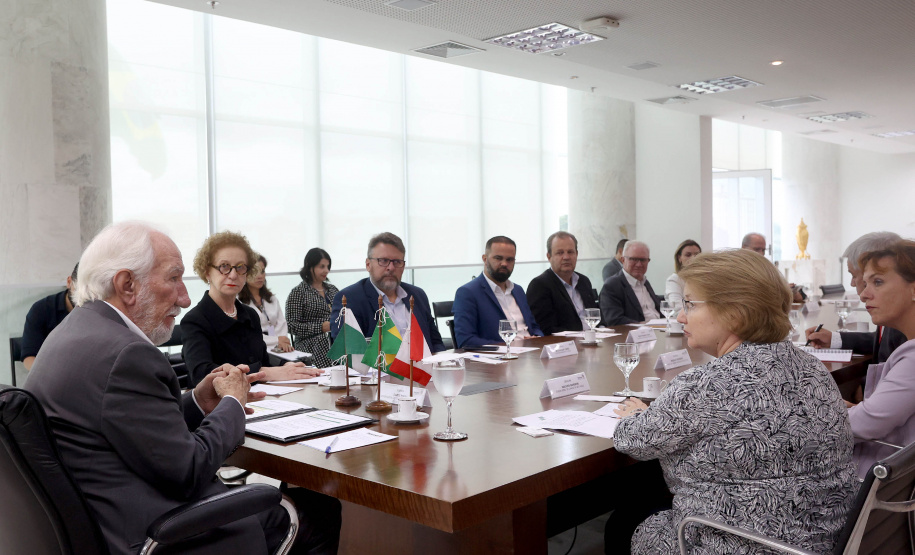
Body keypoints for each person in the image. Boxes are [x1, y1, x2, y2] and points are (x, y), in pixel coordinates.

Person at [24, 221, 341, 555]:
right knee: (319, 511)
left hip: (107, 518)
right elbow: (189, 471)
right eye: (174, 278)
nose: (185, 297)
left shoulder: (74, 331)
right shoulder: (128, 354)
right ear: (126, 284)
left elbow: (127, 422)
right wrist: (233, 401)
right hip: (161, 535)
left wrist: (195, 401)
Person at [611, 249, 857, 554]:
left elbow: (631, 439)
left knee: (626, 521)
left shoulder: (705, 385)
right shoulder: (812, 368)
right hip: (822, 540)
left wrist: (637, 413)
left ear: (735, 313)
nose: (680, 316)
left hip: (737, 543)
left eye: (690, 304)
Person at [182, 231, 322, 386]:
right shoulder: (194, 320)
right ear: (207, 271)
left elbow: (264, 362)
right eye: (224, 266)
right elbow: (201, 375)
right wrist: (265, 373)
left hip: (263, 400)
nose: (233, 275)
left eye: (240, 267)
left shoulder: (250, 314)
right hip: (221, 407)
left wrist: (286, 367)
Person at [846, 240, 915, 478]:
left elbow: (865, 424)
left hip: (880, 486)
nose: (864, 295)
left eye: (878, 282)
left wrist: (817, 415)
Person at [329, 232, 444, 352]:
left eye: (397, 262)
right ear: (368, 265)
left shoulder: (417, 295)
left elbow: (435, 343)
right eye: (383, 261)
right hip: (378, 370)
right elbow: (348, 354)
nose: (391, 267)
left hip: (423, 368)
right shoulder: (350, 299)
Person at [805, 231, 906, 364]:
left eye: (853, 275)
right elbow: (881, 340)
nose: (852, 283)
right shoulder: (894, 319)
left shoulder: (902, 325)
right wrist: (834, 339)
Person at [453, 236, 544, 347]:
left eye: (509, 259)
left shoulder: (518, 290)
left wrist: (537, 338)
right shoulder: (468, 293)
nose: (504, 264)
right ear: (485, 259)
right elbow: (466, 340)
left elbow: (534, 327)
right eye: (498, 258)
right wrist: (507, 348)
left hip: (531, 354)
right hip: (498, 359)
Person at [527, 231, 599, 335]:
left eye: (570, 252)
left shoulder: (583, 281)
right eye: (560, 253)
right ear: (549, 256)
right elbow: (545, 329)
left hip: (593, 339)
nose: (566, 257)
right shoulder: (540, 285)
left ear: (576, 254)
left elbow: (595, 317)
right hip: (565, 346)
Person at [20, 263, 79, 370]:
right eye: (80, 289)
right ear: (69, 282)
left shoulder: (99, 310)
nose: (85, 296)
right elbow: (29, 357)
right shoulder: (41, 309)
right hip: (51, 375)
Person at [287, 248, 339, 368]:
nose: (326, 270)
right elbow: (291, 325)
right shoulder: (298, 292)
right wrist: (321, 327)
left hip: (335, 340)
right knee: (323, 341)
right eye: (321, 266)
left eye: (328, 266)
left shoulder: (333, 290)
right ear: (310, 267)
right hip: (309, 344)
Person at [599, 240, 661, 325]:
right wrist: (645, 326)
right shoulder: (612, 286)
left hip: (660, 330)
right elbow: (615, 320)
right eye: (634, 259)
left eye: (643, 260)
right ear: (623, 260)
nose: (639, 264)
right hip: (636, 335)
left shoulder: (645, 282)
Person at [239, 253, 292, 353]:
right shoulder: (239, 302)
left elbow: (282, 324)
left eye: (262, 271)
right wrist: (276, 340)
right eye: (255, 272)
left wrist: (282, 341)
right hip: (254, 349)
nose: (260, 276)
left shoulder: (271, 298)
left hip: (278, 347)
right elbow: (249, 334)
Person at [743, 232, 806, 302]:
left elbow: (801, 296)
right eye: (757, 249)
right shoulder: (737, 268)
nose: (761, 254)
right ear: (744, 248)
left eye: (763, 250)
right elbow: (750, 295)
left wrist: (793, 293)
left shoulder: (766, 269)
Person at [664, 239, 700, 305]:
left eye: (697, 255)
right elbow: (677, 307)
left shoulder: (705, 279)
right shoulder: (674, 280)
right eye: (688, 255)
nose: (693, 258)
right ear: (679, 258)